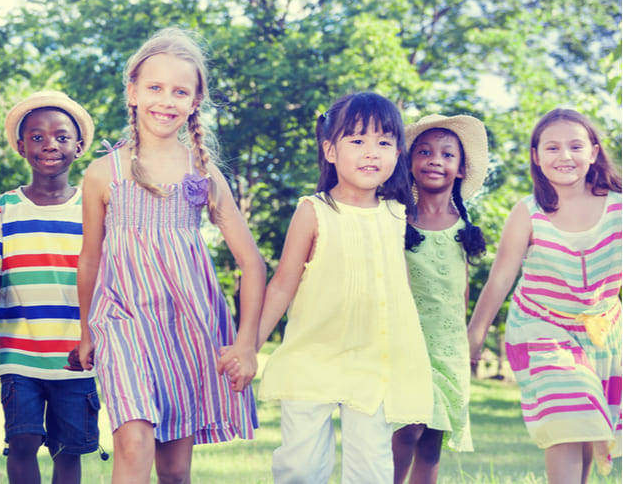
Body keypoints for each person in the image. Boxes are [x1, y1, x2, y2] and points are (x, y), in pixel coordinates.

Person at [75, 28, 263, 484]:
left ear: (195, 102)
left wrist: (246, 344)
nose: (166, 100)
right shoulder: (103, 174)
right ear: (133, 92)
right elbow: (90, 260)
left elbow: (253, 264)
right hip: (122, 322)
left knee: (175, 471)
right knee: (133, 440)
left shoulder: (204, 173)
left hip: (187, 327)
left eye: (181, 91)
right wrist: (86, 329)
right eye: (155, 88)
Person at [257, 92, 433, 484]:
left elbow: (397, 288)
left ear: (398, 153)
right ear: (330, 150)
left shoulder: (395, 214)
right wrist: (251, 345)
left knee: (371, 468)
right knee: (301, 467)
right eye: (357, 141)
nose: (371, 152)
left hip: (373, 363)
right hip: (312, 355)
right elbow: (283, 284)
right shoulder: (314, 210)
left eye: (384, 143)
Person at [467, 108, 621, 483]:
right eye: (551, 147)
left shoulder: (618, 207)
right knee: (569, 413)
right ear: (536, 156)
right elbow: (501, 278)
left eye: (574, 146)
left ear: (594, 152)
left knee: (585, 427)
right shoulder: (528, 212)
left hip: (601, 334)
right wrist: (473, 337)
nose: (564, 156)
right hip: (540, 328)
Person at [0, 90, 99, 484]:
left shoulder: (93, 209)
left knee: (68, 451)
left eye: (61, 136)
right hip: (19, 351)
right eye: (36, 137)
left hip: (76, 352)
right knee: (23, 440)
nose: (49, 144)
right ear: (21, 147)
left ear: (79, 146)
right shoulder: (2, 208)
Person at [392, 114, 489, 483]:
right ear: (410, 163)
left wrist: (468, 341)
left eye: (447, 154)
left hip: (447, 347)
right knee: (408, 427)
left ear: (461, 168)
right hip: (407, 343)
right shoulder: (397, 220)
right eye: (425, 151)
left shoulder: (464, 230)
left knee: (432, 439)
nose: (435, 159)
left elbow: (461, 292)